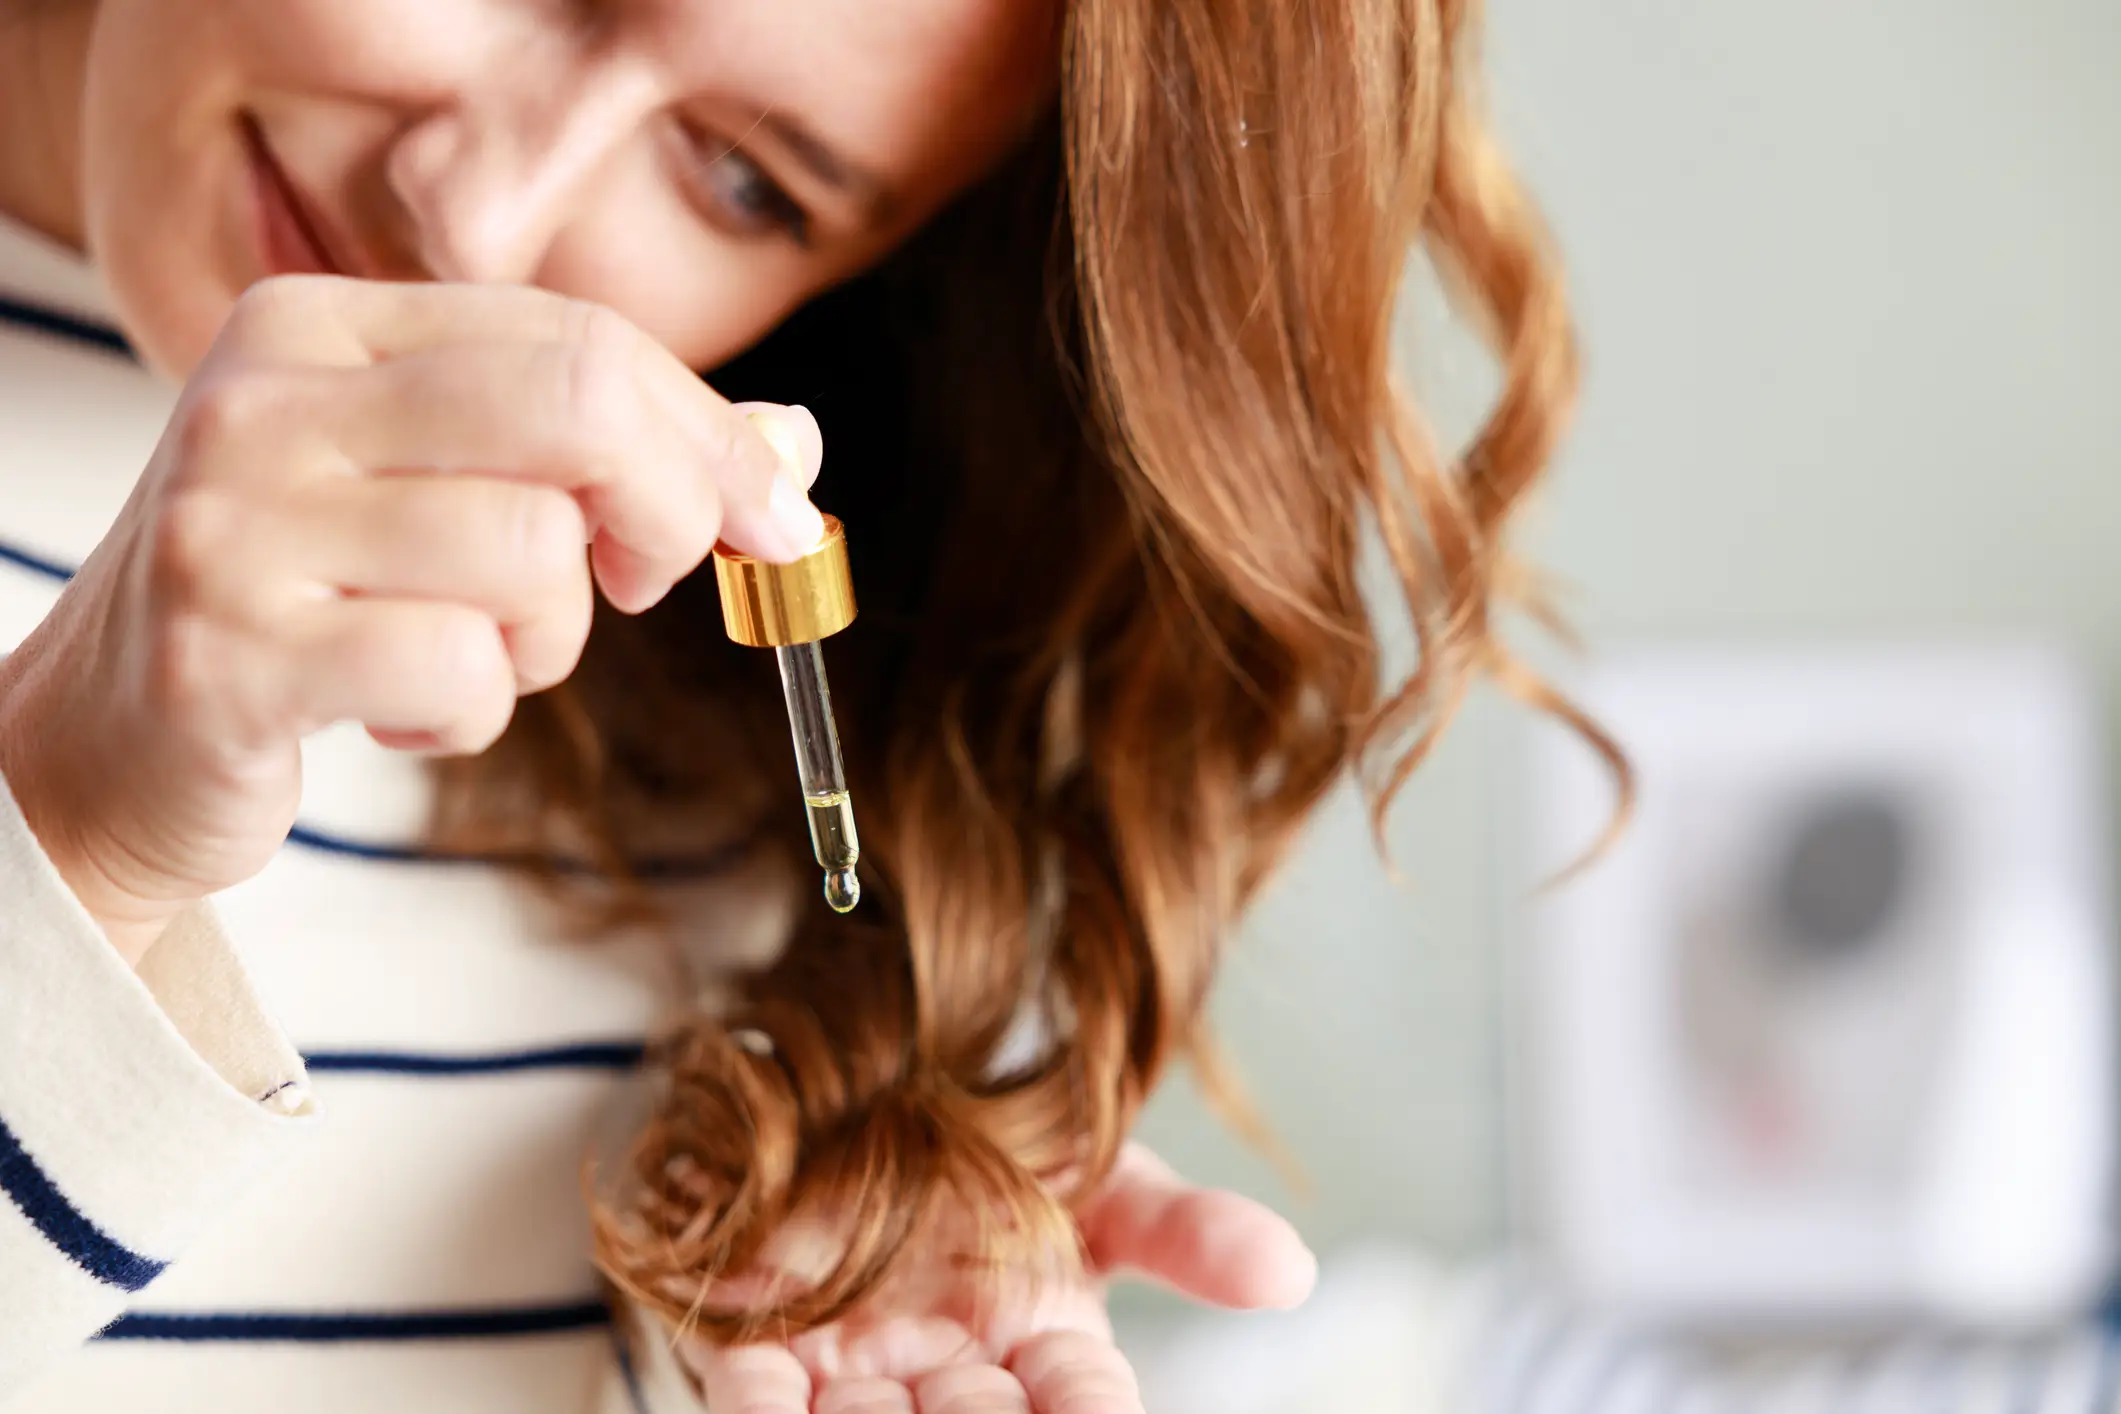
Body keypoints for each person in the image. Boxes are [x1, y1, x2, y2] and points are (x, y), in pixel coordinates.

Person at [0, 0, 1587, 1409]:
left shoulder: (780, 780)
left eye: (747, 181)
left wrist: (743, 1287)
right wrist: (62, 824)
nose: (476, 217)